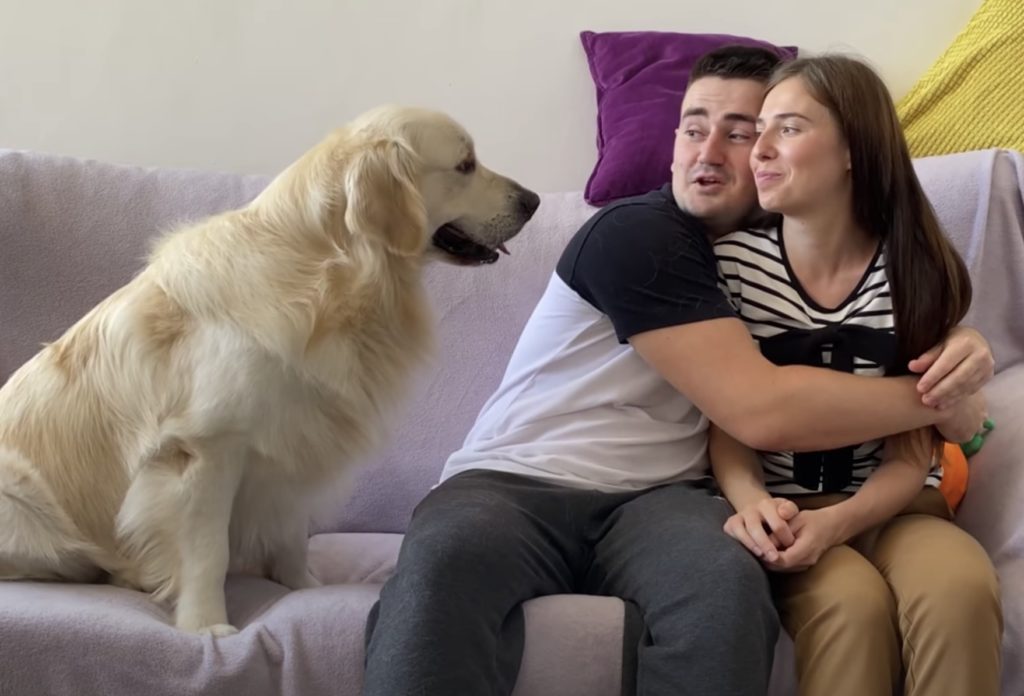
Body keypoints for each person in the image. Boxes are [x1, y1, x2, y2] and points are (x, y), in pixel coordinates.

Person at [362, 45, 993, 696]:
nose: (708, 152)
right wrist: (942, 397)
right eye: (692, 129)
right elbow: (761, 410)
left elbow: (885, 308)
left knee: (723, 588)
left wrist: (960, 343)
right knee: (442, 567)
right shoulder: (638, 235)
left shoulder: (771, 256)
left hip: (663, 500)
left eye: (740, 133)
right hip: (517, 481)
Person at [711, 54, 1003, 696]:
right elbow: (727, 420)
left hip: (899, 504)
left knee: (960, 588)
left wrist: (839, 523)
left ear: (852, 150)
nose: (759, 149)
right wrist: (754, 504)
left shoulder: (914, 269)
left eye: (788, 128)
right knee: (851, 607)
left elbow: (913, 449)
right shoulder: (733, 267)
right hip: (784, 509)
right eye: (759, 129)